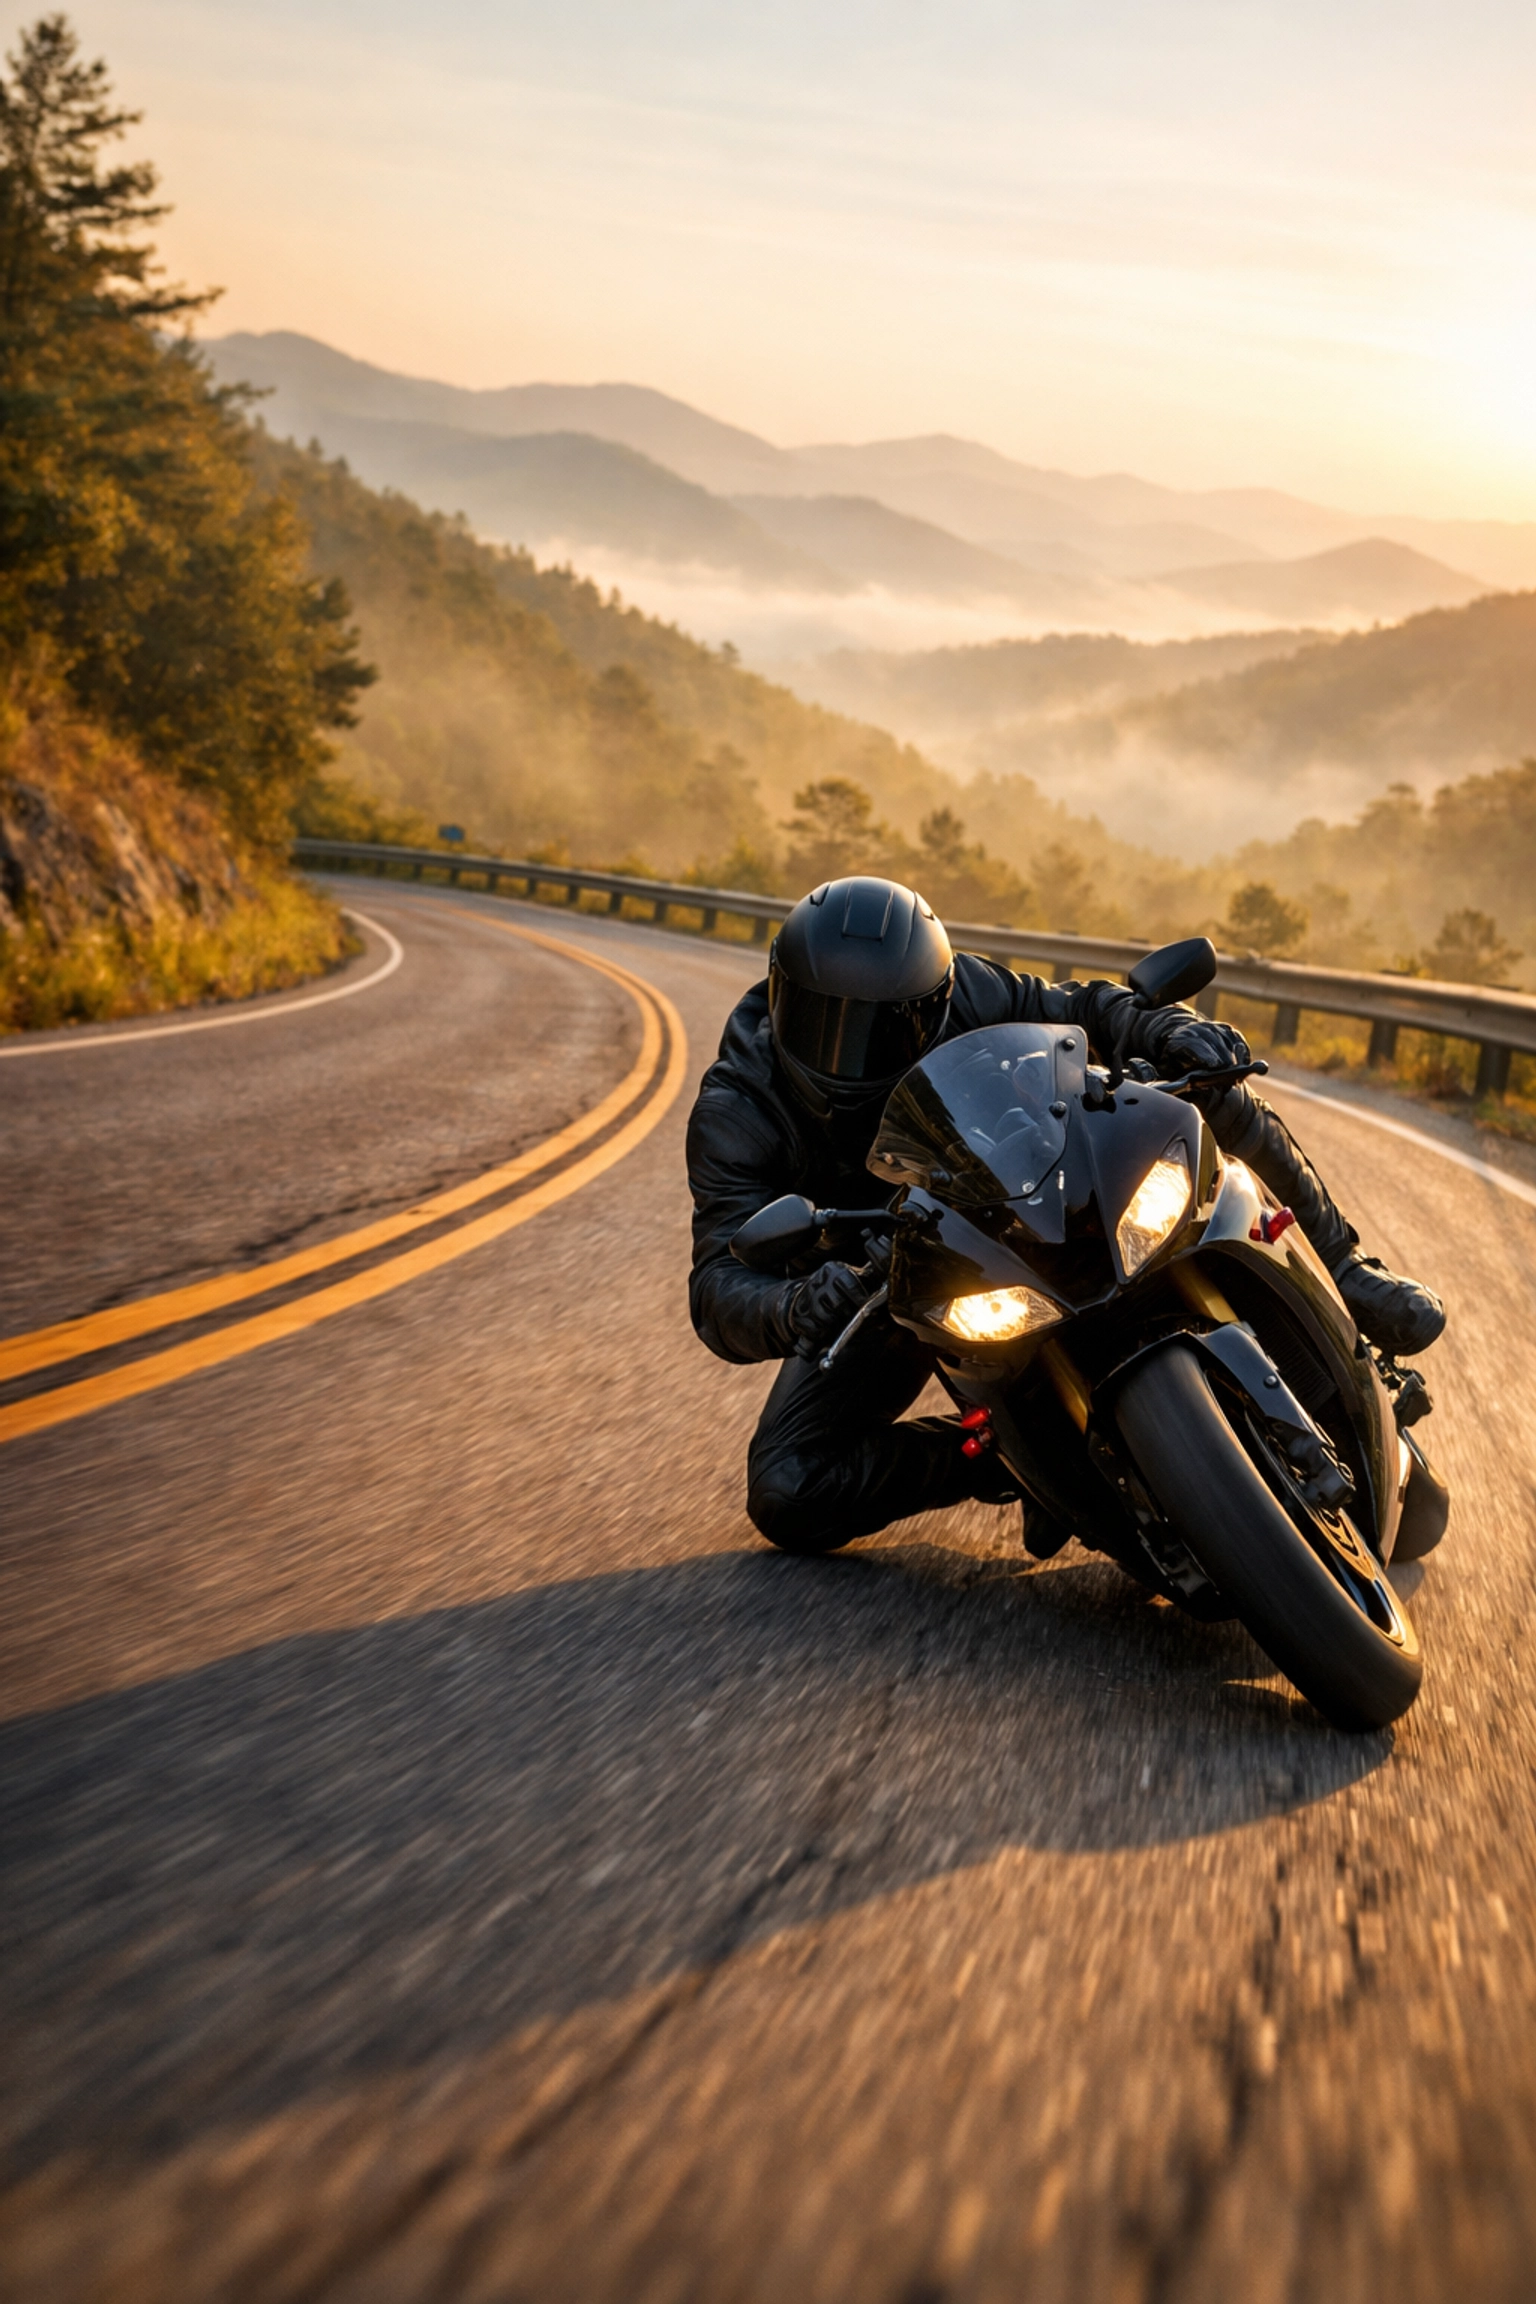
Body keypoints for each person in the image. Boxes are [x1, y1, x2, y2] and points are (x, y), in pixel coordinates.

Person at [686, 875, 1444, 1556]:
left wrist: (1165, 1029)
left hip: (1039, 1185)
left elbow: (1079, 1008)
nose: (850, 1054)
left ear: (934, 1001)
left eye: (885, 1028)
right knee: (788, 1486)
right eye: (825, 1023)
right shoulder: (737, 1110)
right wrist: (795, 1305)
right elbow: (719, 1283)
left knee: (1213, 1081)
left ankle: (1345, 1269)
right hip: (889, 1284)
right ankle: (1006, 1461)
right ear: (778, 996)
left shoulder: (965, 989)